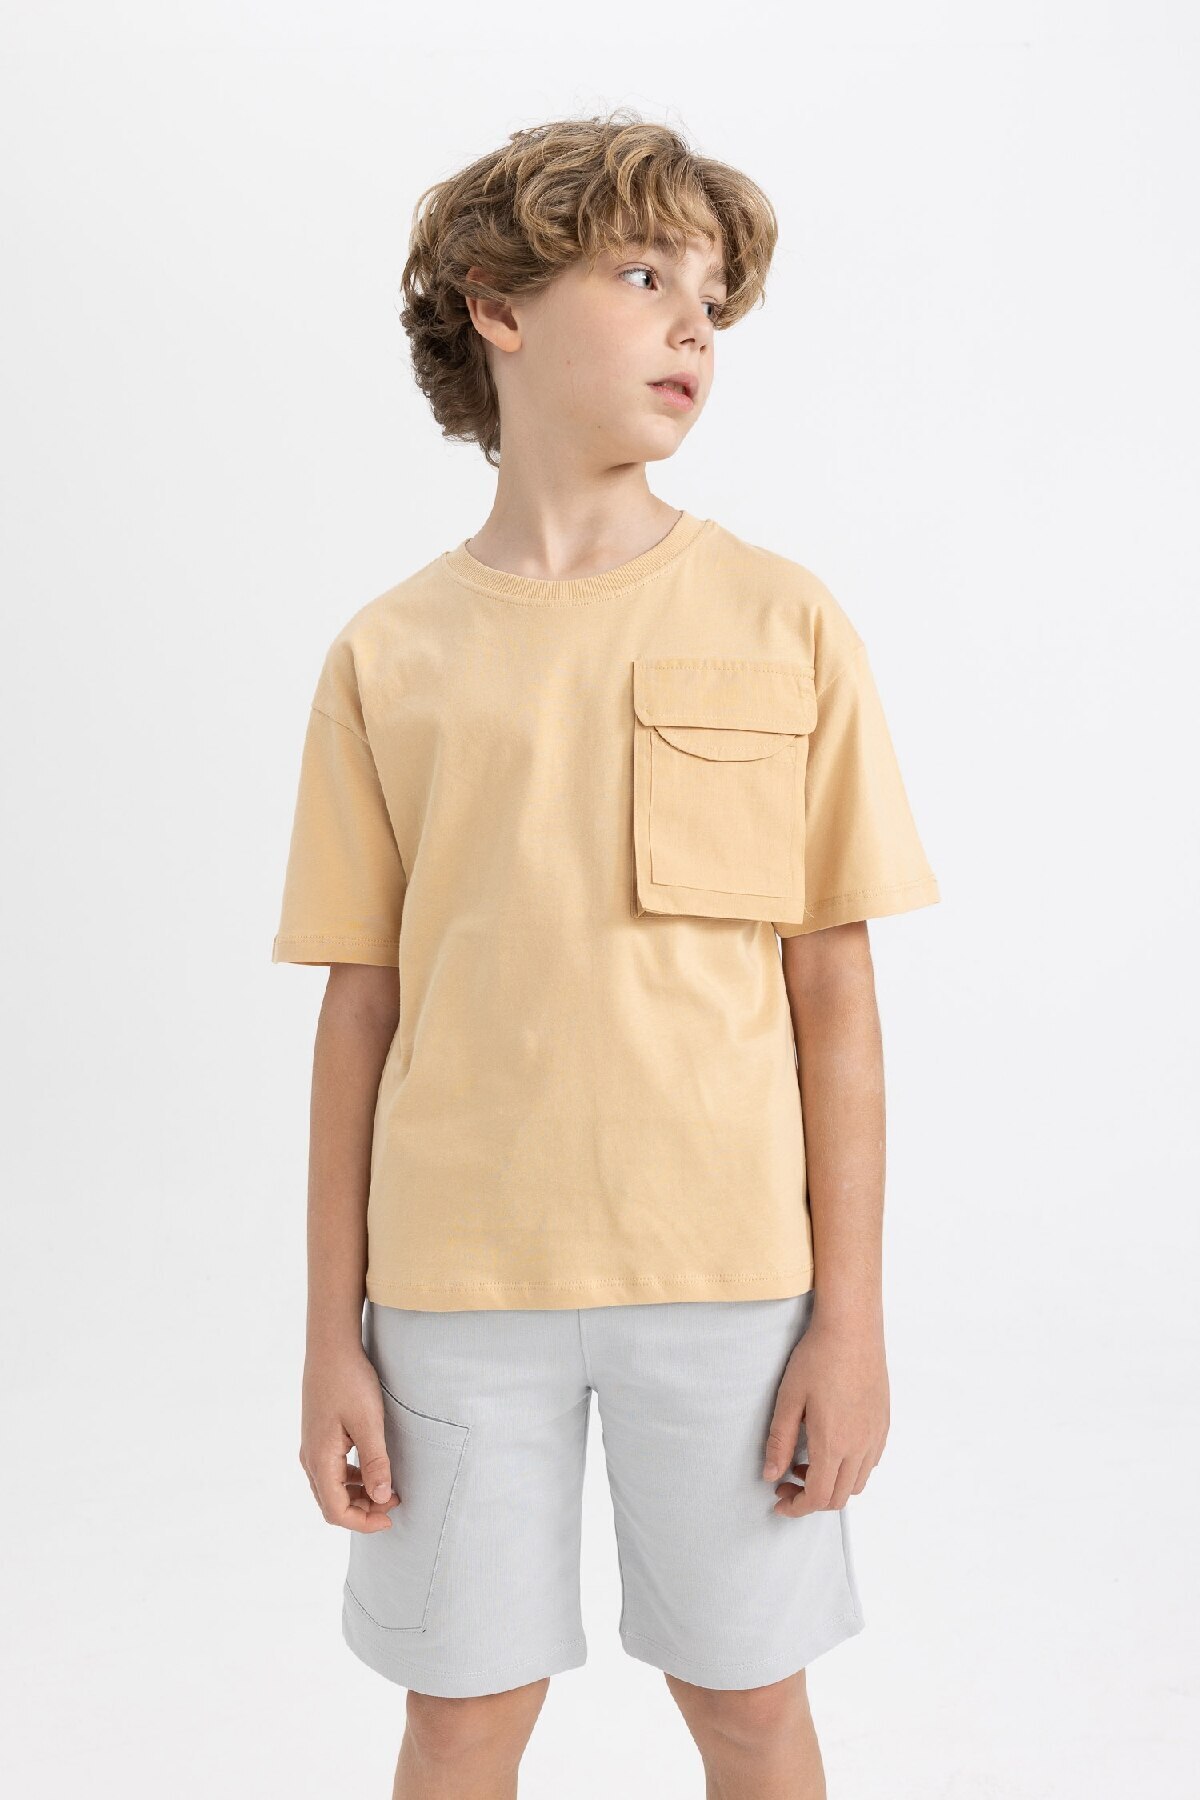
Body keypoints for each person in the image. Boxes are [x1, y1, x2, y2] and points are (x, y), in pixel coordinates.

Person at [272, 109, 940, 1800]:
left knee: (749, 1704)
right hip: (451, 1295)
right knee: (460, 1716)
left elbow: (835, 996)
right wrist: (331, 1335)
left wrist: (851, 1324)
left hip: (729, 1286)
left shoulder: (784, 618)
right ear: (497, 304)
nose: (692, 325)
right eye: (644, 277)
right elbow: (361, 1011)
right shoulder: (388, 655)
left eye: (711, 299)